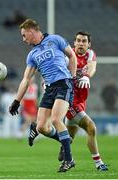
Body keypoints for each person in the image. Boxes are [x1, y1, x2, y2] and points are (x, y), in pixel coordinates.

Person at [28, 31, 108, 171]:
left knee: (67, 136)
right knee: (91, 127)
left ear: (89, 45)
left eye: (84, 41)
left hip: (81, 100)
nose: (81, 43)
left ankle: (63, 147)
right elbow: (53, 69)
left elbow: (92, 67)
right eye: (78, 40)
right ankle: (98, 163)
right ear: (74, 42)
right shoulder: (66, 54)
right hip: (69, 98)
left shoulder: (90, 54)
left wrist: (87, 76)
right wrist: (47, 82)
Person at [9, 19, 77, 172]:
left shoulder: (55, 39)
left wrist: (72, 78)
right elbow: (26, 79)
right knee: (42, 127)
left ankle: (69, 160)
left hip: (63, 84)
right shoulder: (32, 54)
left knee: (55, 119)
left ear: (31, 31)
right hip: (49, 89)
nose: (23, 39)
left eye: (24, 35)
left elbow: (72, 56)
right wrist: (16, 101)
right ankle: (65, 139)